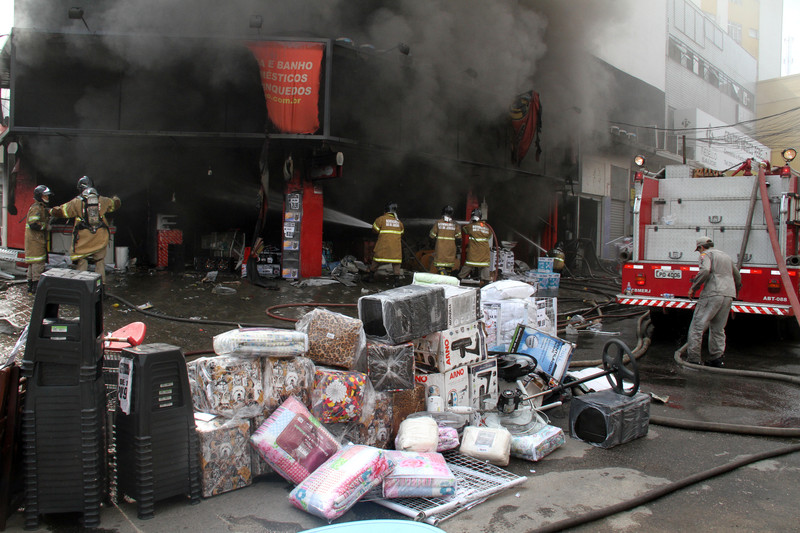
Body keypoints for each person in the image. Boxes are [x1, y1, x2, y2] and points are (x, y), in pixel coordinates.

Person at [49, 176, 121, 283]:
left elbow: (62, 211)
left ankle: (81, 286)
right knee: (99, 262)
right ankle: (100, 287)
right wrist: (116, 198)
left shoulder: (76, 202)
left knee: (82, 261)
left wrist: (50, 211)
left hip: (83, 239)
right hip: (100, 237)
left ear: (81, 188)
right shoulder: (103, 200)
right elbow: (115, 205)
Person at [686, 236, 741, 367]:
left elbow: (705, 270)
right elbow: (737, 275)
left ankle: (693, 359)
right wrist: (735, 291)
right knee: (718, 328)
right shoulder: (726, 256)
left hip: (713, 293)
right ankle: (717, 358)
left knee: (697, 327)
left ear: (701, 247)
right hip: (728, 294)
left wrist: (694, 287)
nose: (699, 252)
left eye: (698, 250)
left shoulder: (706, 255)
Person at [364, 202, 404, 286]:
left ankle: (371, 277)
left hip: (383, 247)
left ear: (386, 211)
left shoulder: (381, 219)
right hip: (395, 249)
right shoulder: (399, 222)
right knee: (396, 263)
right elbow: (402, 232)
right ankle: (396, 281)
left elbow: (375, 230)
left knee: (376, 260)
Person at [24, 185, 52, 295]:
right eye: (45, 195)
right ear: (40, 196)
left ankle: (30, 287)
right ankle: (36, 288)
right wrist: (46, 226)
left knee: (32, 263)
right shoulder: (36, 207)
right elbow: (34, 224)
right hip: (36, 240)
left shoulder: (39, 207)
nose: (47, 197)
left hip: (34, 240)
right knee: (38, 263)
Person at [458, 208, 492, 286]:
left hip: (474, 253)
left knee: (468, 266)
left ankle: (458, 279)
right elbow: (490, 236)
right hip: (484, 254)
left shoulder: (470, 226)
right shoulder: (486, 227)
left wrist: (470, 222)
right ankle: (486, 283)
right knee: (485, 267)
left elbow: (464, 230)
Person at [429, 205, 461, 275]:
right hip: (451, 250)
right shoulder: (455, 224)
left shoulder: (438, 223)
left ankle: (444, 275)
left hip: (440, 249)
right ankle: (447, 280)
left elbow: (432, 235)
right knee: (448, 266)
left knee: (439, 265)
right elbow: (459, 238)